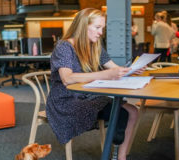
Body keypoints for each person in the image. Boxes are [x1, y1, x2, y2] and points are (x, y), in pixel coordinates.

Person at [46, 8, 145, 160]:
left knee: (133, 111)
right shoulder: (64, 47)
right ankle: (117, 151)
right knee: (122, 112)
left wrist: (131, 70)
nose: (100, 32)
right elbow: (67, 79)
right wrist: (105, 75)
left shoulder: (95, 46)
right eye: (97, 28)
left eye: (102, 28)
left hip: (87, 96)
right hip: (66, 101)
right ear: (83, 26)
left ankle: (121, 156)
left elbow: (114, 69)